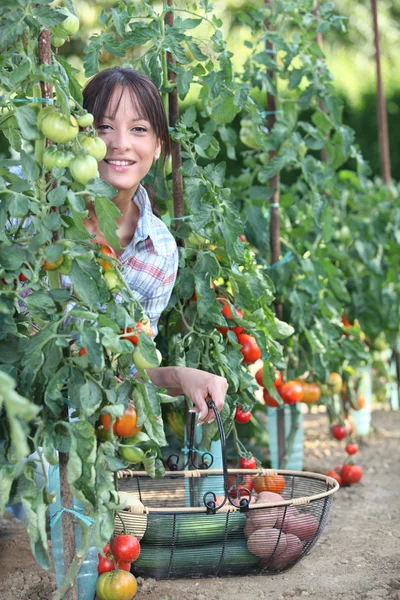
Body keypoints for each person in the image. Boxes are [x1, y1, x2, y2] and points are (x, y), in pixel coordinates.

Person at [80, 67, 227, 423]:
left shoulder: (160, 251)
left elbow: (128, 371)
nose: (120, 143)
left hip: (89, 441)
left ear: (159, 145)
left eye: (139, 129)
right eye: (103, 127)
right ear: (80, 136)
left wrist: (180, 376)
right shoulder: (35, 218)